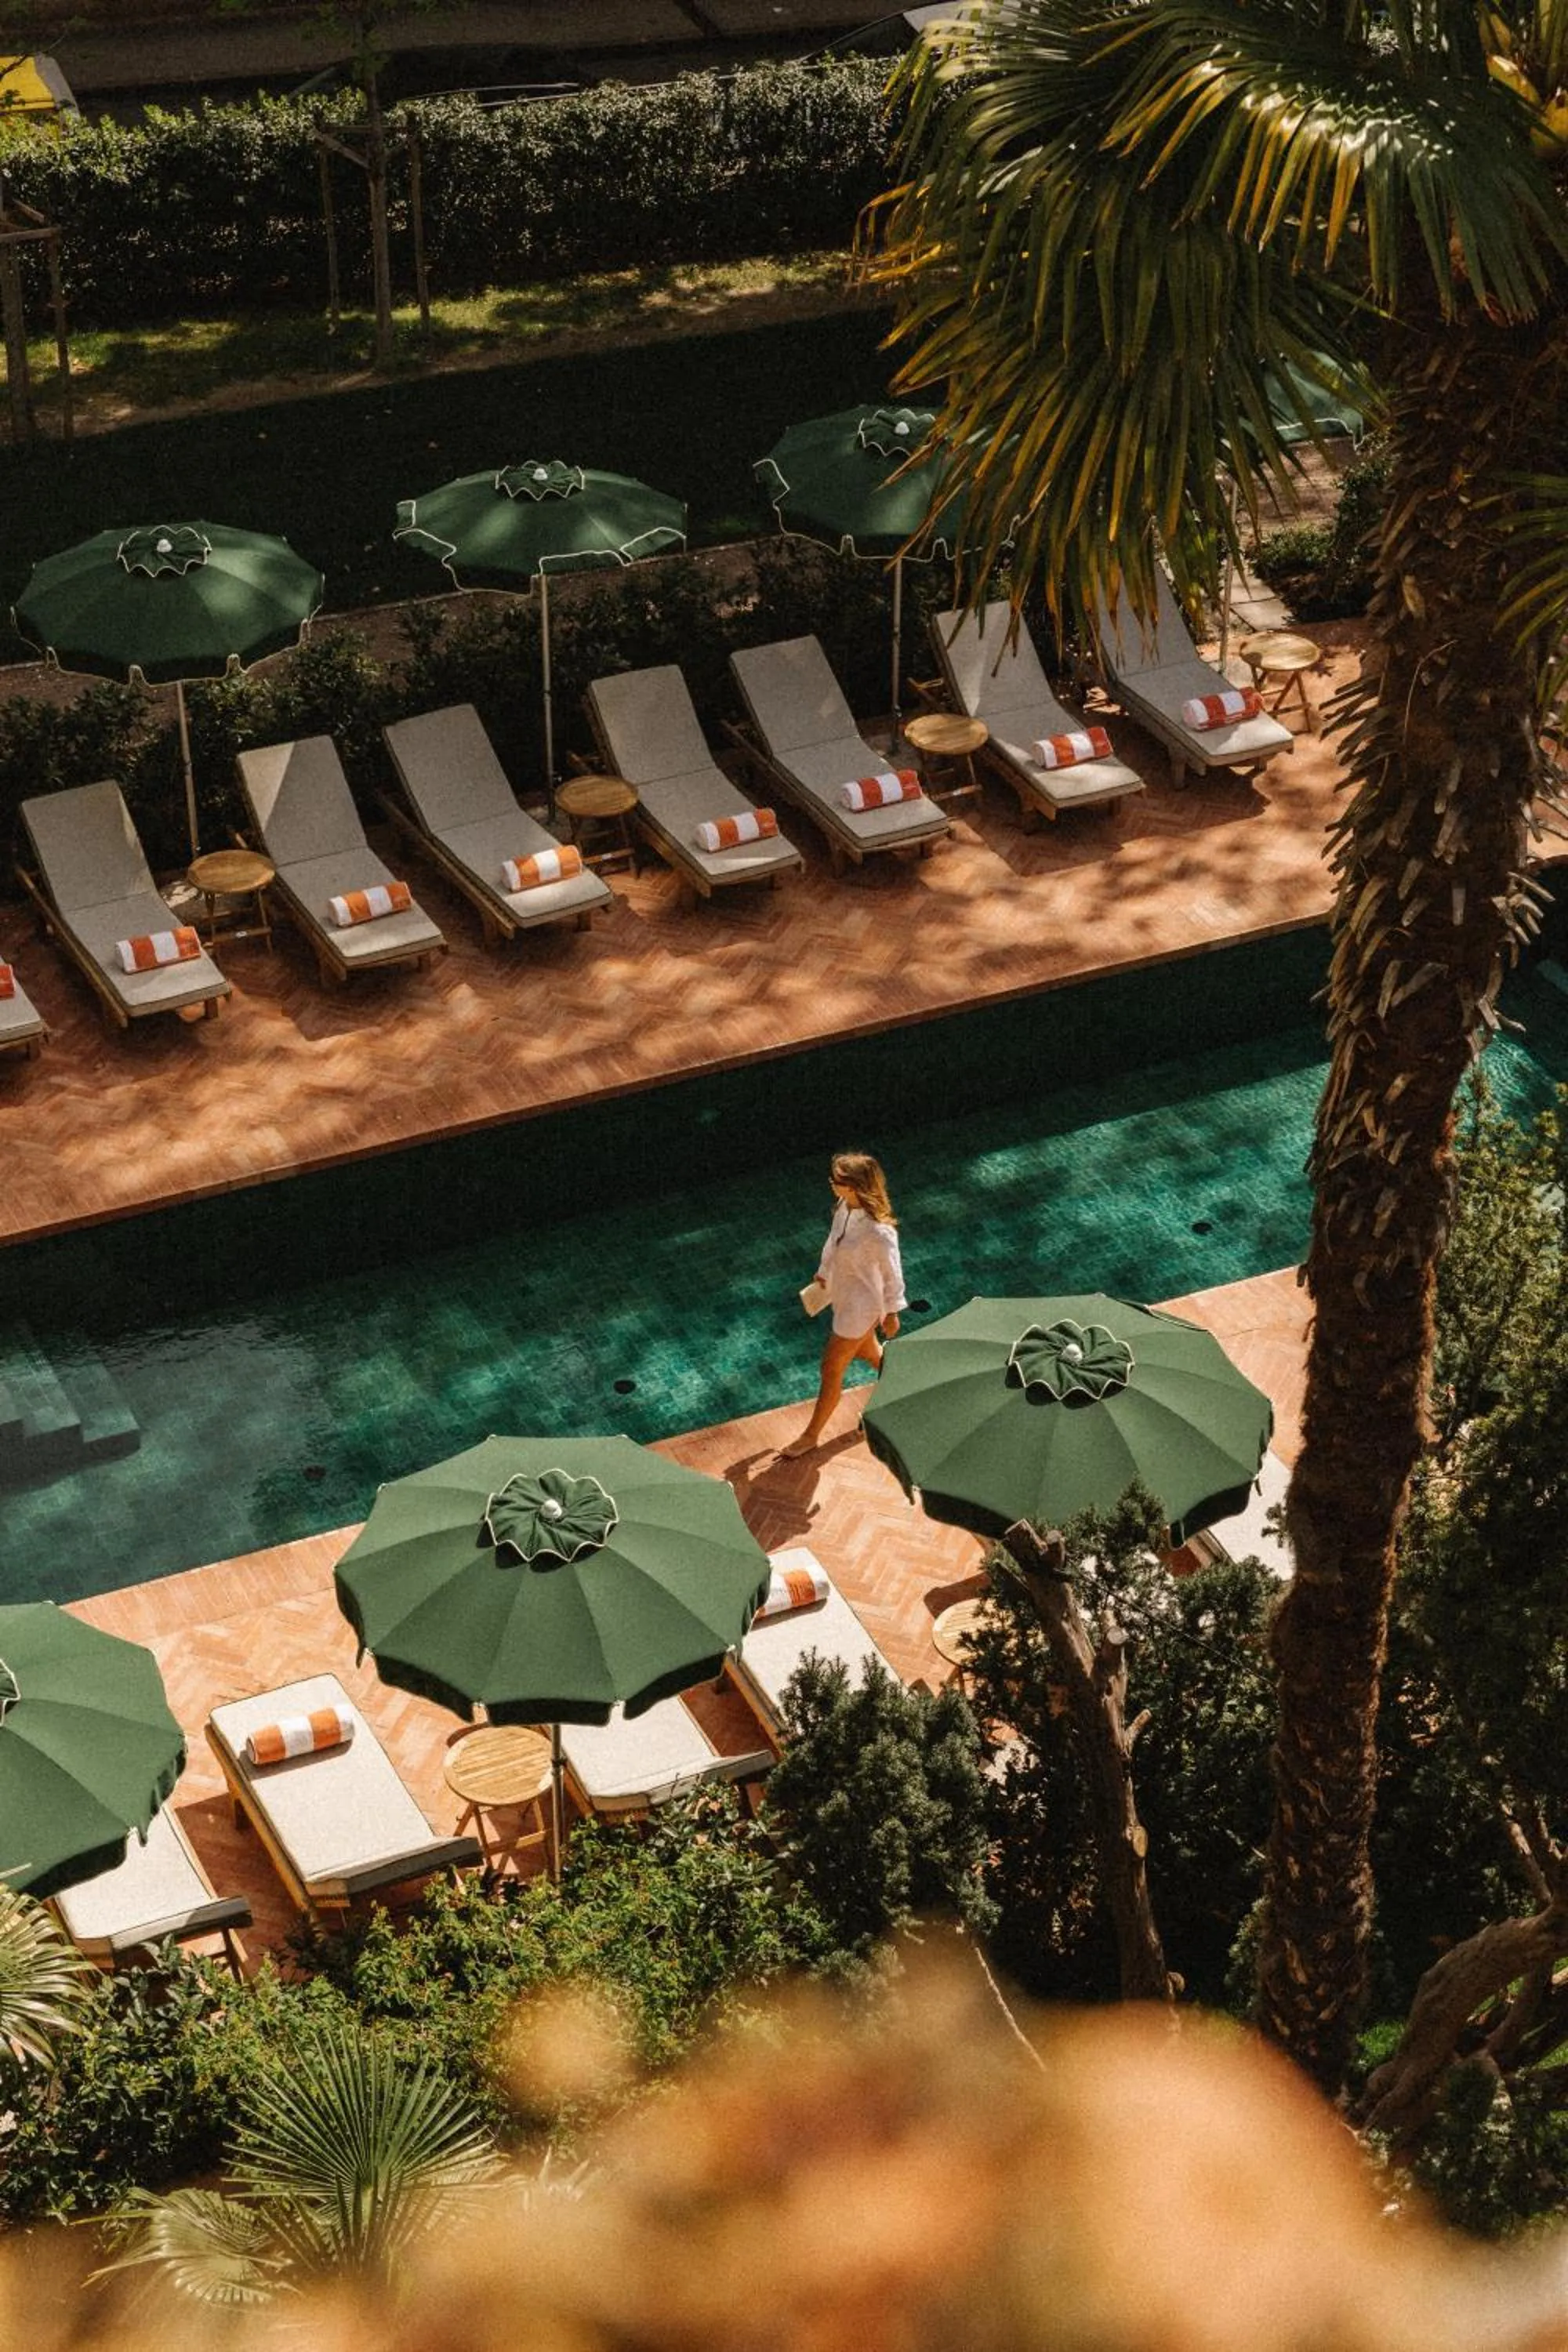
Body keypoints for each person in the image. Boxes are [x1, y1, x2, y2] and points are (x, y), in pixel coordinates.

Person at [782, 1150, 906, 1457]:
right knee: (871, 1354)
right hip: (843, 1295)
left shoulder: (880, 1232)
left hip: (862, 1307)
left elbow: (893, 1275)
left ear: (855, 1186)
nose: (831, 1184)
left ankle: (810, 1436)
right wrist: (824, 1272)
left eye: (837, 1181)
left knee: (831, 1368)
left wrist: (891, 1313)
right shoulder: (844, 1208)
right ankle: (907, 1391)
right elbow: (833, 1242)